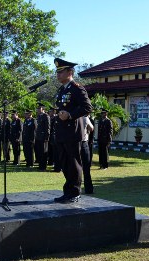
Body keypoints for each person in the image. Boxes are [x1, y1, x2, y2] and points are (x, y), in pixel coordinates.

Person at [52, 58, 93, 203]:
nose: (58, 75)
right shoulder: (62, 89)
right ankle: (68, 191)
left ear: (70, 72)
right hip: (62, 132)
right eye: (57, 72)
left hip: (73, 132)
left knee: (74, 162)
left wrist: (70, 115)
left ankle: (75, 192)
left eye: (61, 71)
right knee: (64, 163)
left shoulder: (77, 88)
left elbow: (87, 107)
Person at [34, 103, 50, 171]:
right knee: (40, 152)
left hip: (43, 137)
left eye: (39, 108)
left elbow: (48, 127)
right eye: (37, 108)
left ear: (43, 109)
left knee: (44, 152)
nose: (37, 110)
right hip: (38, 137)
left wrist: (47, 137)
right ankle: (40, 165)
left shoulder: (46, 116)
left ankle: (43, 167)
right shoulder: (39, 116)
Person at [81, 115, 94, 194]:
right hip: (83, 143)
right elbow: (91, 128)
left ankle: (76, 189)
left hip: (74, 144)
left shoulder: (73, 117)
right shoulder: (85, 118)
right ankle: (88, 189)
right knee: (86, 168)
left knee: (75, 169)